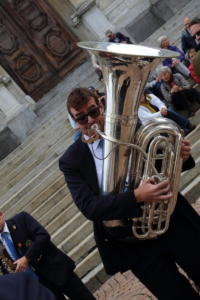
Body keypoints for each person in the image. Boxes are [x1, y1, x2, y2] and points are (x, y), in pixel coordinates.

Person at [59, 87, 200, 300]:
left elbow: (163, 159)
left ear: (102, 105)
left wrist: (179, 155)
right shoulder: (71, 161)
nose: (90, 121)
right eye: (81, 118)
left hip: (172, 219)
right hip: (133, 242)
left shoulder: (132, 126)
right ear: (74, 121)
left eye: (93, 112)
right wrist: (136, 196)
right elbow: (89, 207)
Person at [0, 211, 95, 300]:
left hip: (57, 270)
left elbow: (43, 235)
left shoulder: (21, 219)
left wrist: (27, 258)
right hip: (40, 288)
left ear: (1, 215)